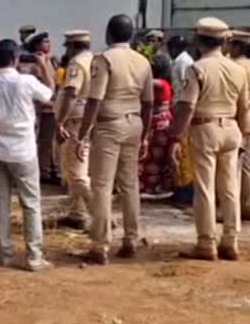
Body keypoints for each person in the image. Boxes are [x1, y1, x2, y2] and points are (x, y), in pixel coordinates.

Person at [168, 18, 250, 261]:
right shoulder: (239, 69)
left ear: (198, 40)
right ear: (224, 41)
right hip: (232, 128)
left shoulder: (198, 68)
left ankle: (206, 242)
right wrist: (243, 134)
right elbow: (244, 108)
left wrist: (176, 137)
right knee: (229, 187)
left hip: (205, 129)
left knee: (204, 188)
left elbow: (187, 106)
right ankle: (231, 240)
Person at [74, 14, 153, 265]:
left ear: (109, 34)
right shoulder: (143, 61)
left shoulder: (104, 59)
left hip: (109, 125)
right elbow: (149, 102)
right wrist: (146, 135)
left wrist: (82, 134)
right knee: (130, 184)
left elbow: (95, 100)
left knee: (102, 185)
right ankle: (131, 238)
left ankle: (100, 244)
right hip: (135, 122)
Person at [0, 39, 55, 271]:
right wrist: (43, 66)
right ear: (16, 59)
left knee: (1, 202)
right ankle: (34, 256)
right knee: (31, 203)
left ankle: (5, 253)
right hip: (24, 150)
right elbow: (50, 94)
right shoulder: (26, 82)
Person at [54, 31, 95, 229]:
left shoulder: (77, 64)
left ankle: (99, 214)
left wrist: (60, 121)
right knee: (76, 168)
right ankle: (78, 212)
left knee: (76, 172)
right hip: (88, 118)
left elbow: (71, 93)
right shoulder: (95, 60)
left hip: (75, 120)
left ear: (71, 46)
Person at [229, 30, 250, 221]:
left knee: (234, 165)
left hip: (241, 115)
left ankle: (231, 210)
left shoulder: (235, 66)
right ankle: (248, 206)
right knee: (248, 165)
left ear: (238, 46)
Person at [23, 32, 59, 182]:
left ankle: (52, 169)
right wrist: (42, 65)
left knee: (51, 143)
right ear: (36, 45)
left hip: (52, 107)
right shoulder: (32, 64)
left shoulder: (51, 60)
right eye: (44, 42)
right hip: (41, 109)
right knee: (43, 143)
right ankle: (43, 172)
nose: (48, 45)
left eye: (48, 42)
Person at [140, 53, 176, 197]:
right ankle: (156, 187)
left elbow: (146, 82)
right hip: (161, 122)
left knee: (153, 157)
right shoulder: (166, 83)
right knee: (156, 157)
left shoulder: (161, 83)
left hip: (158, 124)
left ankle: (152, 187)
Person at [167, 34, 194, 102]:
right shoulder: (176, 60)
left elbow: (185, 85)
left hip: (181, 100)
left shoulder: (184, 61)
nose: (169, 51)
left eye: (171, 47)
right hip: (176, 99)